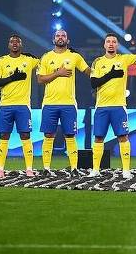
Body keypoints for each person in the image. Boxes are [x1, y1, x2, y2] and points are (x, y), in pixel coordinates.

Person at [37, 29, 90, 175]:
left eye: (63, 36)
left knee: (70, 135)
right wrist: (57, 73)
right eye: (58, 36)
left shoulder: (75, 57)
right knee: (48, 135)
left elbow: (88, 72)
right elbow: (40, 79)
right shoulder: (46, 57)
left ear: (68, 40)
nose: (60, 38)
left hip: (69, 104)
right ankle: (46, 168)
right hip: (49, 103)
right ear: (53, 39)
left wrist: (103, 71)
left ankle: (74, 168)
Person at [89, 33, 136, 179]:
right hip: (101, 107)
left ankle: (126, 170)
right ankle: (96, 169)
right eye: (108, 41)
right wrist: (111, 74)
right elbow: (93, 83)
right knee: (99, 137)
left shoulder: (124, 59)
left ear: (117, 45)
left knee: (123, 137)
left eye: (114, 42)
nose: (111, 44)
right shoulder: (97, 62)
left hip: (119, 106)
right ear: (104, 45)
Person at [0, 34, 38, 178]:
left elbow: (47, 61)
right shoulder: (2, 61)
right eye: (12, 41)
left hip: (23, 105)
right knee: (4, 136)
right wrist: (13, 78)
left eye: (17, 41)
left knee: (25, 135)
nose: (15, 43)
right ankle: (0, 170)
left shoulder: (29, 60)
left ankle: (29, 169)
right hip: (5, 105)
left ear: (21, 45)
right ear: (8, 45)